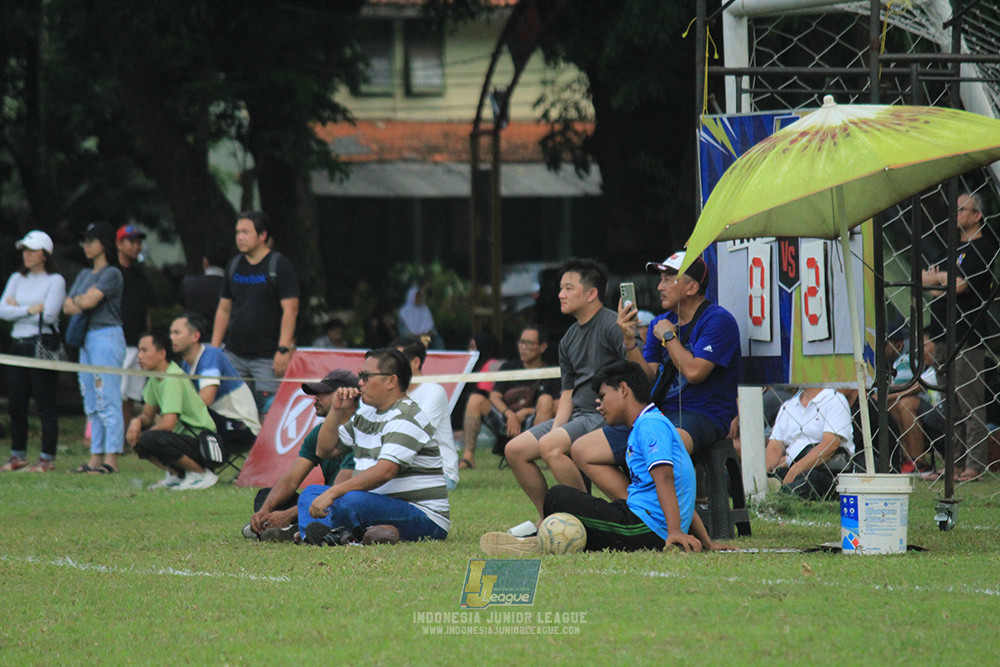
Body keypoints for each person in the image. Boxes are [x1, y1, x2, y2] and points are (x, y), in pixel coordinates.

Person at [480, 361, 720, 554]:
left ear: (624, 389)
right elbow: (683, 490)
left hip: (644, 528)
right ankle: (540, 537)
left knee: (557, 496)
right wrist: (706, 542)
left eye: (603, 396)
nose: (600, 406)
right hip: (643, 520)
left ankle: (536, 537)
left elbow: (666, 478)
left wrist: (675, 533)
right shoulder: (652, 423)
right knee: (584, 507)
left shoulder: (650, 426)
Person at [572, 251, 741, 501]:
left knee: (656, 448)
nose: (659, 287)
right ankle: (639, 512)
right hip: (659, 413)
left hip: (704, 415)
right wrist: (629, 340)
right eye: (660, 279)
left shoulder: (718, 321)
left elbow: (695, 373)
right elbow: (647, 377)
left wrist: (669, 337)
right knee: (582, 449)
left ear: (692, 287)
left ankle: (665, 514)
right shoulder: (659, 323)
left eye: (668, 279)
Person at [504, 258, 624, 521]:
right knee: (515, 450)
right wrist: (557, 429)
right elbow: (567, 393)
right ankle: (548, 518)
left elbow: (638, 374)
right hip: (576, 416)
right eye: (560, 288)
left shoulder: (614, 326)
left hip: (601, 416)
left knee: (551, 447)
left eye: (569, 288)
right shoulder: (568, 338)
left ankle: (587, 519)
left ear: (592, 293)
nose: (560, 294)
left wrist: (555, 438)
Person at [300, 348, 449, 543]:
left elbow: (385, 471)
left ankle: (331, 534)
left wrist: (333, 492)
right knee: (310, 493)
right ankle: (324, 535)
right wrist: (336, 411)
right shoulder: (366, 414)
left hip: (424, 516)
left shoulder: (406, 416)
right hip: (377, 504)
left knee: (350, 501)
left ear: (391, 381)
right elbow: (325, 450)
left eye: (366, 376)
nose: (360, 382)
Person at [922, 192, 998, 482]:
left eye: (962, 210)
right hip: (941, 332)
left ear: (977, 215)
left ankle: (974, 464)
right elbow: (926, 280)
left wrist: (942, 279)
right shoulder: (949, 249)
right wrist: (944, 279)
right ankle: (951, 464)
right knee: (948, 403)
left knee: (969, 401)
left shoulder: (984, 247)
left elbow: (962, 286)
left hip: (967, 335)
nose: (956, 215)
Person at [243, 369, 359, 542]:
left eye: (324, 393)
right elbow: (291, 479)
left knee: (317, 497)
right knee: (266, 496)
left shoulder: (363, 431)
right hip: (322, 502)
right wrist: (265, 511)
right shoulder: (319, 433)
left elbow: (341, 491)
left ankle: (295, 527)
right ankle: (287, 526)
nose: (316, 398)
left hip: (347, 501)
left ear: (348, 396)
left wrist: (288, 515)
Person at [212, 211, 300, 414]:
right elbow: (224, 310)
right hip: (234, 353)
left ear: (262, 235)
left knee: (270, 412)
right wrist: (215, 350)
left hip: (268, 357)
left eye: (245, 232)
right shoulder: (234, 265)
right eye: (237, 232)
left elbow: (291, 309)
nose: (239, 237)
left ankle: (262, 447)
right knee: (233, 409)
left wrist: (284, 348)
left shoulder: (279, 265)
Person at [0, 231, 66, 473]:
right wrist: (29, 310)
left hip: (41, 345)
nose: (26, 255)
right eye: (25, 251)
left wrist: (17, 307)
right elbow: (2, 310)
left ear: (44, 255)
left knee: (44, 403)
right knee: (16, 403)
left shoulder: (55, 280)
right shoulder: (17, 278)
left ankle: (47, 457)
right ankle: (18, 454)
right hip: (18, 345)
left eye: (32, 250)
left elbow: (50, 314)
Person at [63, 221, 126, 474]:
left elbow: (89, 302)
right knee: (90, 399)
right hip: (87, 340)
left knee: (108, 398)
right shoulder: (83, 275)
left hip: (106, 337)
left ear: (104, 243)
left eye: (91, 240)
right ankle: (95, 457)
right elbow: (68, 307)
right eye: (84, 241)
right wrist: (82, 300)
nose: (86, 245)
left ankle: (111, 459)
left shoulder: (112, 273)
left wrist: (81, 300)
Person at [127, 330, 220, 491]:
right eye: (139, 350)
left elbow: (168, 424)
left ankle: (200, 473)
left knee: (149, 439)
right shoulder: (154, 379)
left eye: (144, 350)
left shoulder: (172, 378)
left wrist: (143, 437)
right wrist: (136, 423)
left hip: (204, 442)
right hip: (185, 441)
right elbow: (148, 415)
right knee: (141, 440)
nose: (139, 356)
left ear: (162, 353)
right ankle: (176, 474)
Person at [458, 323, 557, 470]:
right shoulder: (509, 367)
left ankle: (533, 458)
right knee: (475, 400)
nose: (523, 347)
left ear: (542, 347)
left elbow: (558, 405)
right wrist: (510, 414)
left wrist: (526, 412)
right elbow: (495, 396)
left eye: (529, 343)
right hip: (506, 421)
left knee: (546, 400)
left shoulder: (551, 373)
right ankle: (468, 457)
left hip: (534, 422)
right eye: (521, 342)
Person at [169, 313, 261, 449]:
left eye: (177, 333)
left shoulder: (210, 355)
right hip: (220, 421)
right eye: (171, 333)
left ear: (195, 336)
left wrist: (173, 408)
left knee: (181, 418)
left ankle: (196, 469)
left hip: (241, 426)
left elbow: (206, 399)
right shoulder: (186, 364)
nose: (172, 338)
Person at [392, 335, 460, 490]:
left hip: (438, 473)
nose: (390, 366)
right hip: (399, 471)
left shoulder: (434, 392)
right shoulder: (389, 392)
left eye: (397, 361)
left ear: (416, 362)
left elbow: (417, 433)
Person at [765, 387, 854, 499]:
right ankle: (776, 492)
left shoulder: (834, 399)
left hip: (825, 470)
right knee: (777, 474)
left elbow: (830, 445)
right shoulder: (788, 406)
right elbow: (774, 447)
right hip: (793, 466)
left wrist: (795, 470)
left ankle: (779, 494)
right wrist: (761, 474)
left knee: (812, 480)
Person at [884, 326, 942, 475]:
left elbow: (914, 387)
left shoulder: (940, 368)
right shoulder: (929, 369)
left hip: (946, 418)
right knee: (895, 404)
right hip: (933, 415)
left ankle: (919, 462)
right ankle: (908, 458)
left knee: (907, 402)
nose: (921, 351)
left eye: (925, 345)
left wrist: (880, 398)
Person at [116, 224, 152, 423]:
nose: (135, 246)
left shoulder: (140, 274)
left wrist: (148, 336)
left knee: (131, 393)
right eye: (131, 242)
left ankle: (123, 438)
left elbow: (144, 308)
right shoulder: (113, 272)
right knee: (117, 391)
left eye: (138, 242)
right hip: (118, 339)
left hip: (137, 340)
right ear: (119, 244)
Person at [181, 241, 229, 339]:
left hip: (196, 339)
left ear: (205, 261)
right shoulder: (230, 286)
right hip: (225, 340)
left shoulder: (189, 284)